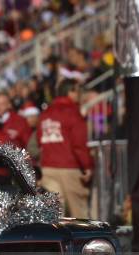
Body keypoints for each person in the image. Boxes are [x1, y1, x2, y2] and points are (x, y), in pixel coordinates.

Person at [37, 79, 93, 219]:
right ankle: (83, 241)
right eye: (77, 91)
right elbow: (79, 143)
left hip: (48, 167)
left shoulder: (45, 113)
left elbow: (39, 140)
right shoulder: (73, 112)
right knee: (79, 214)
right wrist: (87, 166)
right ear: (71, 92)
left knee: (55, 215)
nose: (79, 95)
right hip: (70, 167)